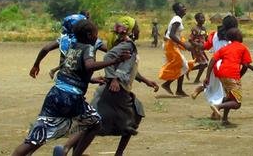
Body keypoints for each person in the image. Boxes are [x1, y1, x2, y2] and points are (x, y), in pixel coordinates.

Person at [12, 19, 130, 156]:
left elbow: (71, 70)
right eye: (95, 34)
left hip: (55, 94)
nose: (97, 36)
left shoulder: (72, 46)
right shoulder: (88, 48)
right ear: (89, 35)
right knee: (95, 122)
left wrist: (90, 80)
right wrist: (115, 60)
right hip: (71, 98)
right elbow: (89, 66)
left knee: (35, 138)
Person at [71, 22, 159, 156]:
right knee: (134, 116)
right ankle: (117, 153)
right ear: (131, 31)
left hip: (111, 90)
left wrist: (145, 80)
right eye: (137, 27)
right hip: (115, 90)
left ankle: (69, 148)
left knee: (92, 121)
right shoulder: (127, 45)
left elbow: (129, 68)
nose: (139, 30)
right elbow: (109, 58)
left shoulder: (125, 44)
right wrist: (114, 78)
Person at [202, 28, 253, 125]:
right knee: (237, 103)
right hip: (232, 75)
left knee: (230, 97)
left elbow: (212, 60)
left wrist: (207, 77)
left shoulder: (225, 48)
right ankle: (218, 107)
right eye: (240, 34)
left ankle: (224, 119)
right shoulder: (243, 48)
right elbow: (245, 65)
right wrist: (238, 77)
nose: (242, 35)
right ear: (237, 37)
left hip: (221, 74)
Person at [28, 14, 106, 80]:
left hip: (63, 79)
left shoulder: (63, 39)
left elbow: (46, 49)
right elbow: (109, 50)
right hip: (77, 83)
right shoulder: (90, 39)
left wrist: (36, 64)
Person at [191, 15, 238, 120]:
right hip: (226, 66)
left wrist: (194, 44)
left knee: (215, 87)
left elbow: (205, 46)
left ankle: (201, 89)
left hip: (214, 64)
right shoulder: (234, 38)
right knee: (226, 91)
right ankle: (218, 112)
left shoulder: (215, 34)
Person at [158, 2, 193, 96]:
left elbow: (168, 32)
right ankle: (169, 85)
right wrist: (184, 45)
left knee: (183, 66)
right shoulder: (177, 20)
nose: (185, 8)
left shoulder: (177, 19)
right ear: (178, 10)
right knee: (184, 66)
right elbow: (171, 34)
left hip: (171, 44)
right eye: (183, 7)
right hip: (170, 46)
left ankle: (178, 89)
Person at [185, 12, 209, 83]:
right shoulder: (195, 29)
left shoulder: (204, 28)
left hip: (202, 48)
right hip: (196, 49)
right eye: (201, 18)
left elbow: (206, 38)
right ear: (197, 20)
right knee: (204, 64)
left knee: (204, 64)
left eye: (203, 17)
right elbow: (190, 40)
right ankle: (196, 79)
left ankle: (189, 71)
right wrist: (197, 45)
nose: (203, 19)